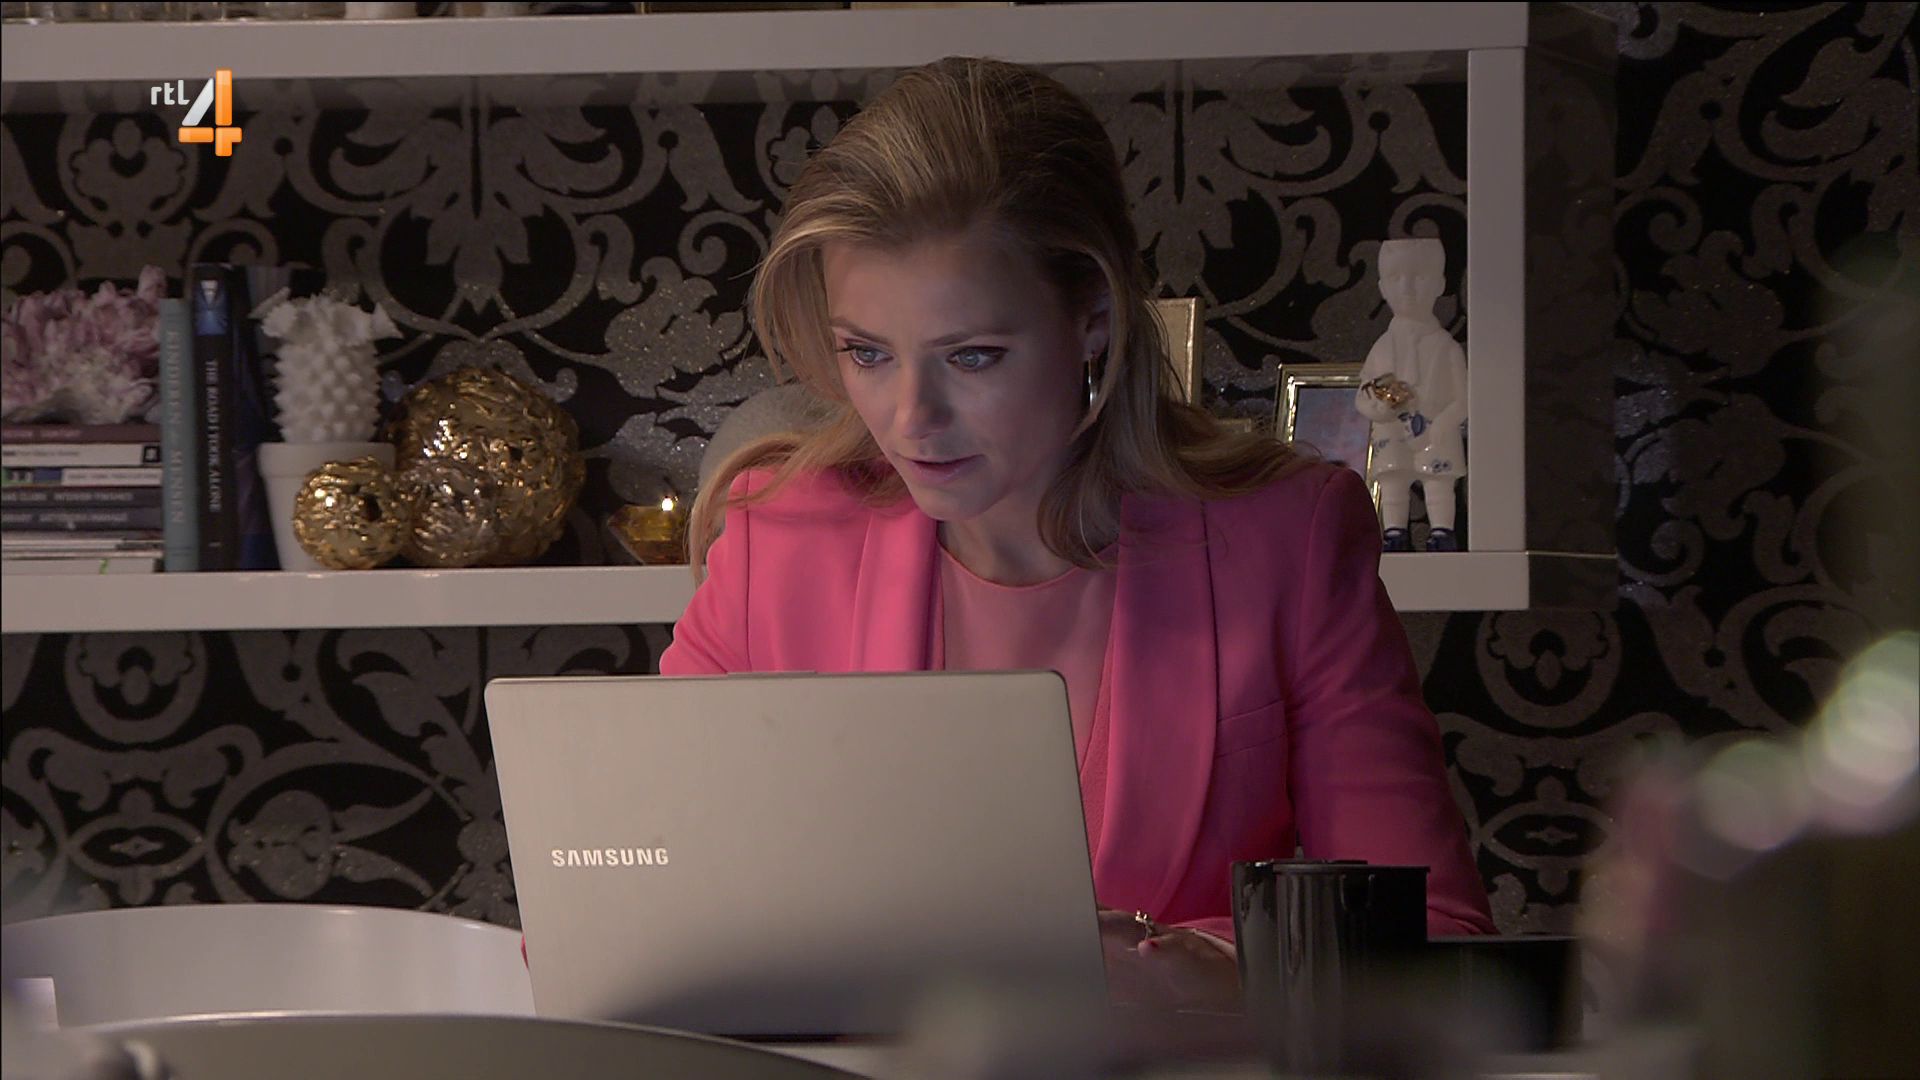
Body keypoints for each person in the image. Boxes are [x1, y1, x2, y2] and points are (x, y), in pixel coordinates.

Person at [660, 56, 1495, 1012]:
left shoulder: (1288, 540)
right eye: (867, 353)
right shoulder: (774, 540)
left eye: (973, 356)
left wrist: (1221, 973)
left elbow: (1439, 937)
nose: (909, 417)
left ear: (1093, 319)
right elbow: (652, 915)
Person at [1353, 237, 1469, 552]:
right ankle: (1394, 534)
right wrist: (1377, 408)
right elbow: (1363, 392)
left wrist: (1443, 423)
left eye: (1418, 277)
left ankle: (1442, 532)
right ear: (1382, 287)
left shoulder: (1446, 347)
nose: (1406, 288)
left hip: (1435, 426)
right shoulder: (1381, 348)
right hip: (1393, 427)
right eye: (1396, 278)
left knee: (1439, 483)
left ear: (1439, 284)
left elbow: (1463, 398)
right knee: (1393, 482)